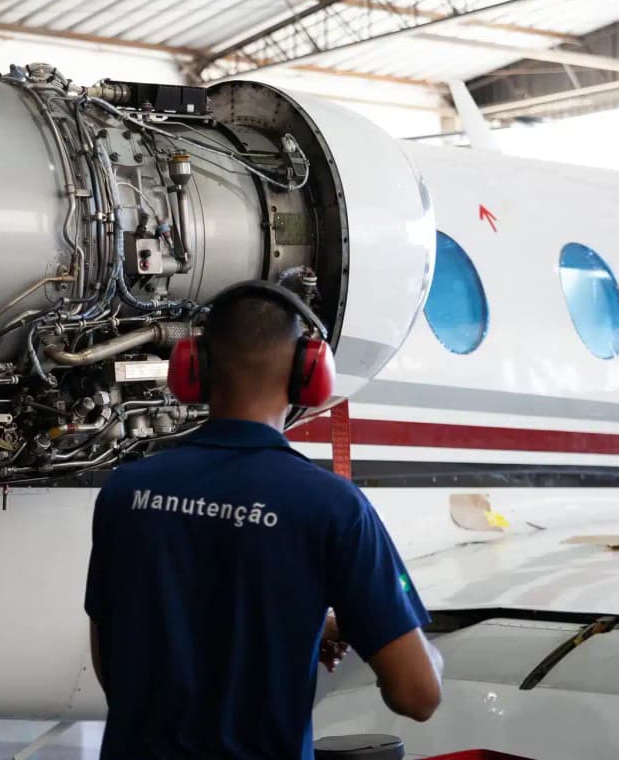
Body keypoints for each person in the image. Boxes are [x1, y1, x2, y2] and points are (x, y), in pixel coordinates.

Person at [84, 283, 443, 760]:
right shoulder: (333, 507)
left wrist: (301, 625)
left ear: (194, 367)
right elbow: (417, 695)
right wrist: (350, 627)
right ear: (308, 375)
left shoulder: (124, 493)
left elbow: (114, 668)